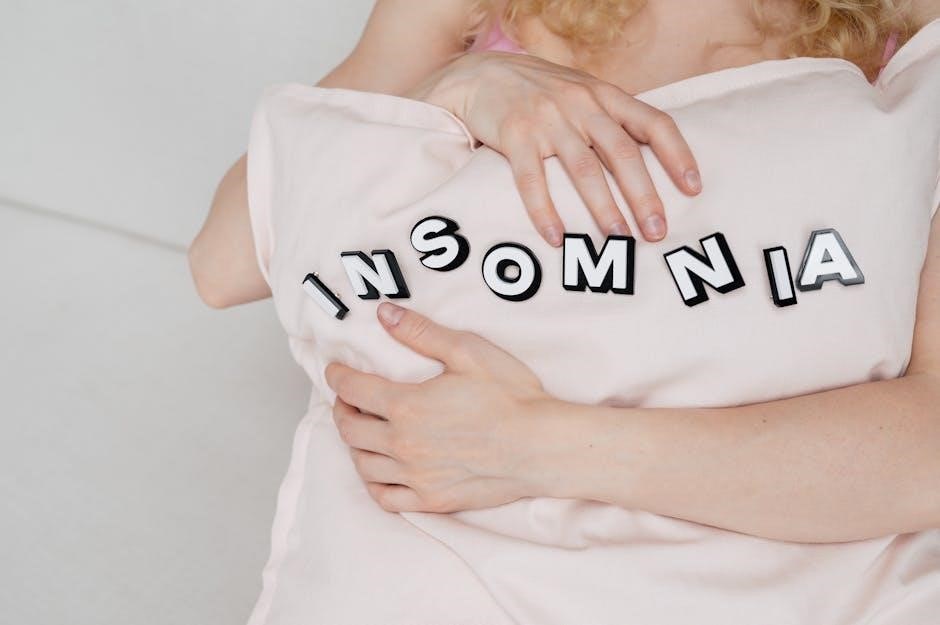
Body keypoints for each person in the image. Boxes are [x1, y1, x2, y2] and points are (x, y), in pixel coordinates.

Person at [189, 1, 940, 623]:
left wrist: (533, 445)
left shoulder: (906, 28)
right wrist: (451, 88)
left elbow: (926, 453)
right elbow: (225, 260)